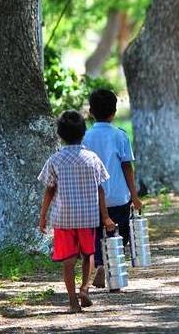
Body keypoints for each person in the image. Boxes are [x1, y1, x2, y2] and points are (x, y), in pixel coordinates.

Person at [38, 111, 116, 313]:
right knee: (88, 254)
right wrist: (105, 215)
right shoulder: (92, 159)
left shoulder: (55, 160)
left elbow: (49, 189)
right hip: (87, 216)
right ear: (83, 132)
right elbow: (100, 189)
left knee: (68, 260)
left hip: (63, 219)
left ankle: (72, 301)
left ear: (60, 135)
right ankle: (84, 288)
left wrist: (43, 216)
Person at [83, 88, 142, 290]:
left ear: (91, 111)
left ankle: (99, 264)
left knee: (96, 234)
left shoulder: (85, 137)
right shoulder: (120, 136)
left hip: (92, 198)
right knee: (119, 233)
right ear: (114, 112)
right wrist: (135, 196)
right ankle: (113, 270)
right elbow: (127, 167)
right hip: (119, 196)